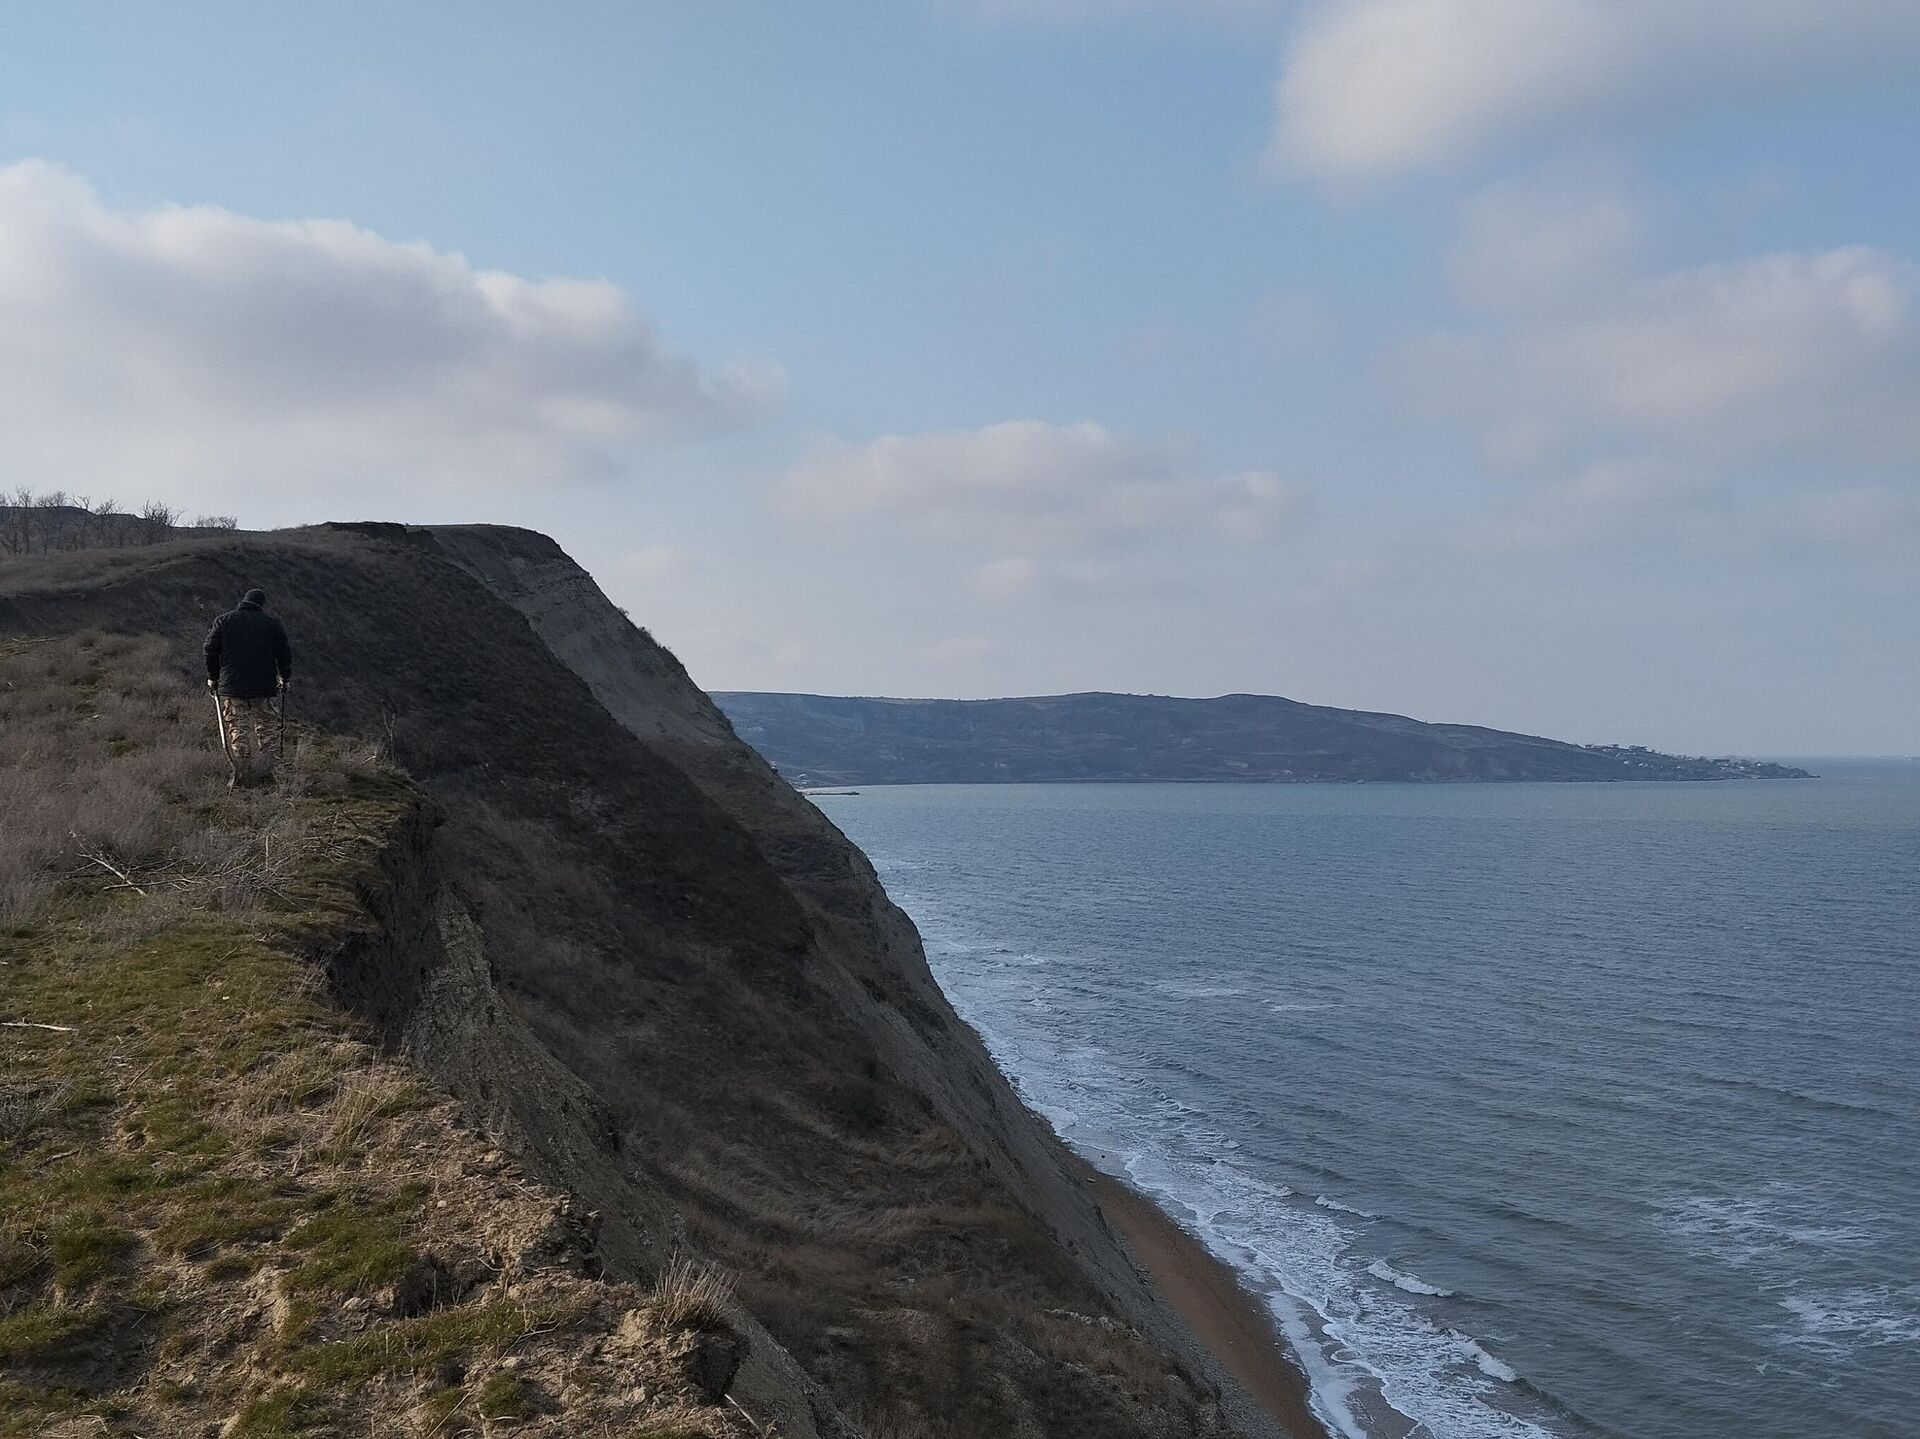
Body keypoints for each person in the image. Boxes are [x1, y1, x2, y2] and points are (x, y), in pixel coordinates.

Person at [204, 588, 293, 785]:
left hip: (232, 686)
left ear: (243, 601)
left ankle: (242, 772)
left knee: (237, 728)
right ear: (261, 604)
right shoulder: (272, 624)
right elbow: (284, 654)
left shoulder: (223, 621)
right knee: (267, 728)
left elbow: (210, 650)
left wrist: (213, 677)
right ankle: (267, 771)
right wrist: (285, 678)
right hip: (264, 686)